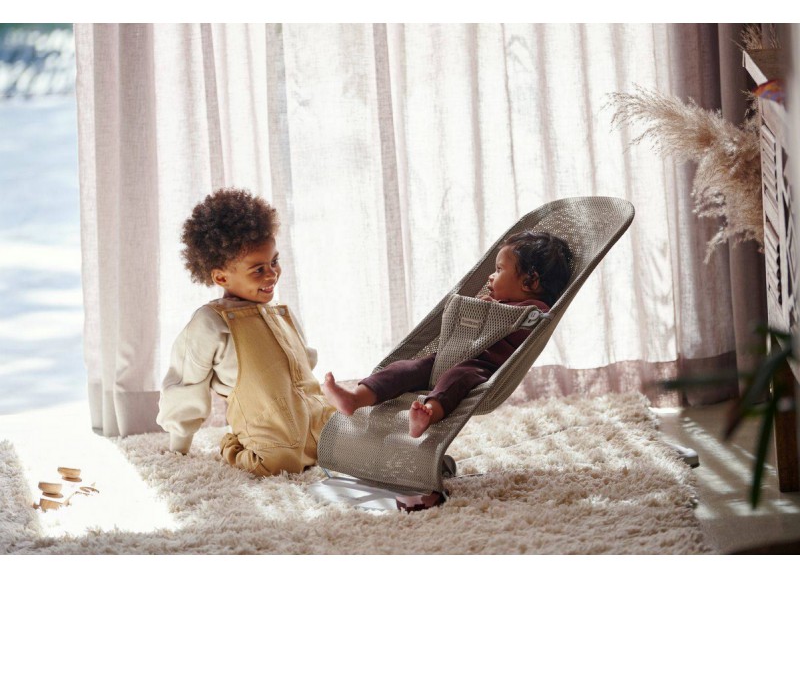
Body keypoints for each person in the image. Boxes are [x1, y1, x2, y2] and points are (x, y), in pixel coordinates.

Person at [322, 230, 573, 439]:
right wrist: (485, 309)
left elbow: (510, 328)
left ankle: (428, 414)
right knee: (404, 368)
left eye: (499, 270)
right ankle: (355, 398)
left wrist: (491, 310)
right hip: (448, 355)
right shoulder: (500, 305)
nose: (491, 276)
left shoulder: (537, 310)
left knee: (456, 377)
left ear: (530, 282)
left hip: (480, 367)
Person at [156, 188, 335, 477]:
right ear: (221, 276)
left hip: (313, 417)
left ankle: (321, 439)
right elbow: (186, 383)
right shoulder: (211, 322)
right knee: (278, 461)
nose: (272, 274)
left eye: (274, 262)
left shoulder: (280, 313)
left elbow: (302, 370)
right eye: (258, 269)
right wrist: (179, 445)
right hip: (271, 432)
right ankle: (233, 444)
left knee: (351, 441)